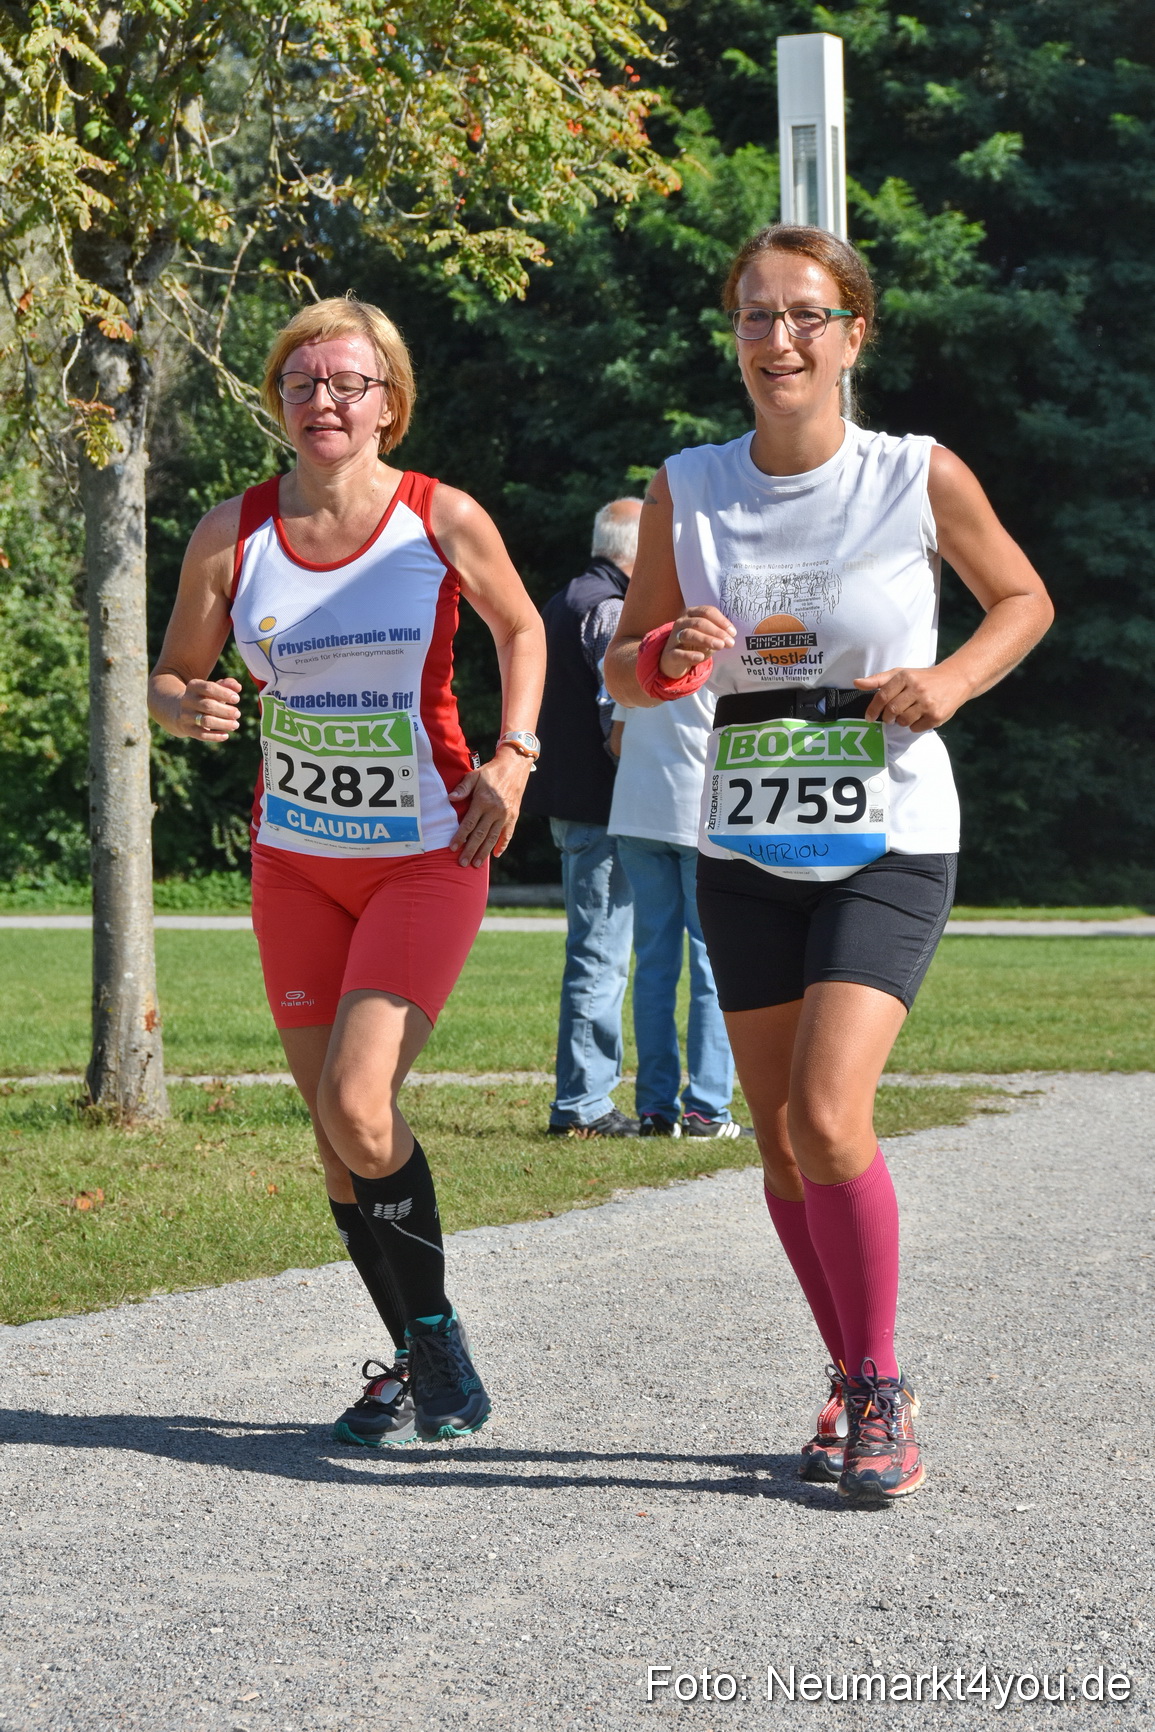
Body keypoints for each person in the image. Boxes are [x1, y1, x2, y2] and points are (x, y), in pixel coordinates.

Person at [605, 224, 1053, 1503]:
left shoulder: (913, 472)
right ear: (733, 335)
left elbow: (1021, 599)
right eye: (755, 315)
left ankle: (878, 1381)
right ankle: (855, 1379)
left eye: (806, 315)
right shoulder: (688, 486)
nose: (778, 339)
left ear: (856, 333)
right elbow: (628, 669)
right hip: (743, 840)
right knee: (781, 1147)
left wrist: (950, 680)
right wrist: (671, 655)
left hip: (888, 839)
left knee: (827, 1115)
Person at [149, 296, 545, 1449]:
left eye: (348, 384)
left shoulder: (440, 518)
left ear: (390, 404)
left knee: (360, 1105)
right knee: (333, 1136)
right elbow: (173, 677)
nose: (323, 401)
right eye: (302, 383)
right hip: (297, 868)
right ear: (278, 402)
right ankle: (422, 1358)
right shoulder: (233, 534)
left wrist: (514, 757)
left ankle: (436, 1348)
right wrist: (192, 706)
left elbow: (522, 630)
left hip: (428, 854)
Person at [523, 499, 643, 1137]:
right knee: (600, 954)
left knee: (598, 949)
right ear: (637, 549)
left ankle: (586, 1098)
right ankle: (584, 1105)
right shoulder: (612, 609)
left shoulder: (565, 597)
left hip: (570, 801)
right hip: (603, 805)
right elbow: (615, 721)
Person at [608, 690, 754, 1141]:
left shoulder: (641, 646)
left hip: (636, 811)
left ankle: (655, 1110)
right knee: (713, 966)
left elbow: (617, 739)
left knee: (653, 967)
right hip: (701, 812)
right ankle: (706, 1111)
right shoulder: (725, 647)